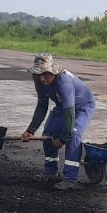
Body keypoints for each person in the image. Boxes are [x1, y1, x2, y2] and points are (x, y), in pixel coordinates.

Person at [19, 53, 96, 191]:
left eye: (46, 74)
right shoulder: (40, 82)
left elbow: (70, 113)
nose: (42, 78)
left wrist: (63, 138)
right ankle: (50, 171)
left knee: (73, 135)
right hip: (63, 107)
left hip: (81, 107)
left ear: (54, 72)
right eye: (38, 74)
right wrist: (30, 130)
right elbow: (42, 106)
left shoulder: (64, 82)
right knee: (48, 133)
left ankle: (70, 178)